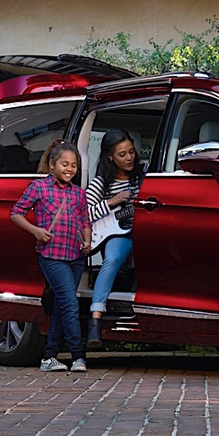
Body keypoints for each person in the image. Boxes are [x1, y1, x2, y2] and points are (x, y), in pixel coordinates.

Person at [10, 139, 91, 372]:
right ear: (52, 164)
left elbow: (85, 221)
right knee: (69, 302)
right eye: (65, 164)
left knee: (61, 306)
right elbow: (16, 213)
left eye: (74, 165)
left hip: (75, 256)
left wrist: (86, 240)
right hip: (52, 255)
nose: (70, 169)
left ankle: (48, 358)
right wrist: (36, 231)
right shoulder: (39, 187)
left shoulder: (78, 193)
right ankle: (78, 357)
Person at [85, 128, 141, 350]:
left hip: (140, 229)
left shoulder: (140, 176)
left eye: (131, 152)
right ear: (110, 156)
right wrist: (112, 201)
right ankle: (95, 319)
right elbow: (84, 213)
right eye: (122, 154)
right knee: (113, 258)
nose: (129, 158)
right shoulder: (101, 182)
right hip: (115, 233)